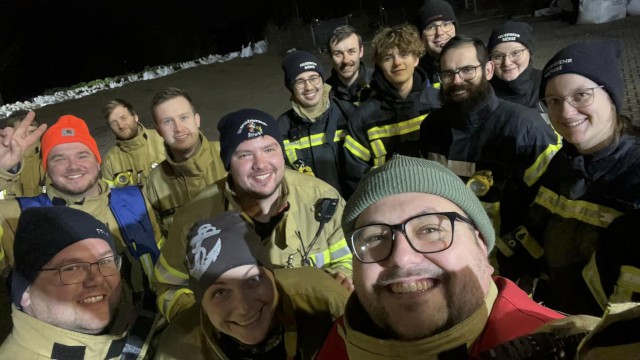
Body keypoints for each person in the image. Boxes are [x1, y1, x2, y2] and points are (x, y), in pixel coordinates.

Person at [316, 156, 563, 359]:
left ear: (481, 244)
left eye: (430, 230)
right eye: (374, 239)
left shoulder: (573, 347)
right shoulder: (333, 344)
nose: (402, 258)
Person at [152, 108, 353, 321]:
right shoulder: (194, 220)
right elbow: (167, 286)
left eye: (269, 149)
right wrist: (210, 321)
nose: (261, 164)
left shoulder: (322, 198)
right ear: (228, 164)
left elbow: (349, 259)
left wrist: (338, 279)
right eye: (245, 154)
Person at [497, 40, 640, 315]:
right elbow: (535, 240)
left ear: (611, 96)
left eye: (581, 95)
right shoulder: (562, 165)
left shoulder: (633, 176)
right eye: (554, 101)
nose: (565, 112)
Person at [0, 114, 164, 309]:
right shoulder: (18, 215)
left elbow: (162, 259)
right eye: (59, 159)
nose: (73, 166)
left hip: (146, 326)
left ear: (97, 161)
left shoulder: (136, 200)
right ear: (46, 169)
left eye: (82, 155)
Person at [155, 211, 349, 359]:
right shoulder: (178, 351)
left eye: (253, 280)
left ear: (272, 277)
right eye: (221, 292)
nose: (244, 307)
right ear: (202, 305)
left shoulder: (325, 302)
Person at [418, 35, 560, 235]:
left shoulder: (526, 129)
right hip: (450, 248)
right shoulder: (431, 128)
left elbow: (551, 204)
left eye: (467, 70)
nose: (457, 81)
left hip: (506, 255)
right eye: (448, 73)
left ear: (488, 70)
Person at [0, 206, 155, 359]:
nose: (97, 279)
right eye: (72, 268)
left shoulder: (153, 335)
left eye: (105, 261)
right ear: (25, 291)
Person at [344, 23, 440, 192]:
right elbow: (355, 174)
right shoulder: (363, 117)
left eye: (404, 54)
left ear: (416, 59)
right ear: (380, 65)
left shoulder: (438, 103)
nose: (397, 63)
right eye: (388, 58)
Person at [144, 87, 227, 235]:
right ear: (158, 130)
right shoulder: (154, 184)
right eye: (168, 121)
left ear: (197, 120)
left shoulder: (230, 156)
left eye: (184, 117)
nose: (178, 128)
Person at [277, 50, 355, 198]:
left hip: (355, 202)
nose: (309, 87)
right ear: (290, 87)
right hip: (314, 210)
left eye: (314, 78)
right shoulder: (282, 128)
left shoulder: (349, 113)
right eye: (300, 81)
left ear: (322, 80)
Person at [101, 98, 165, 188]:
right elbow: (110, 197)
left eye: (124, 118)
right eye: (114, 123)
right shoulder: (109, 161)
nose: (121, 126)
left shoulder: (163, 139)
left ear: (135, 117)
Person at [487, 21, 542, 109]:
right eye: (498, 56)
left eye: (515, 53)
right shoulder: (482, 92)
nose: (507, 63)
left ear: (529, 52)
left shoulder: (548, 84)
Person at [0, 110, 45, 199]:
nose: (27, 136)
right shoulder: (2, 160)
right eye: (21, 133)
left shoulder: (50, 157)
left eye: (32, 132)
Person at [326, 25, 373, 105]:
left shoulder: (378, 82)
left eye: (351, 51)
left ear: (361, 51)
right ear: (330, 56)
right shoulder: (324, 93)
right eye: (338, 54)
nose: (346, 60)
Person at [417, 0, 458, 84]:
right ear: (421, 36)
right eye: (431, 27)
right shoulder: (415, 75)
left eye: (446, 24)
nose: (439, 33)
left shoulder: (472, 61)